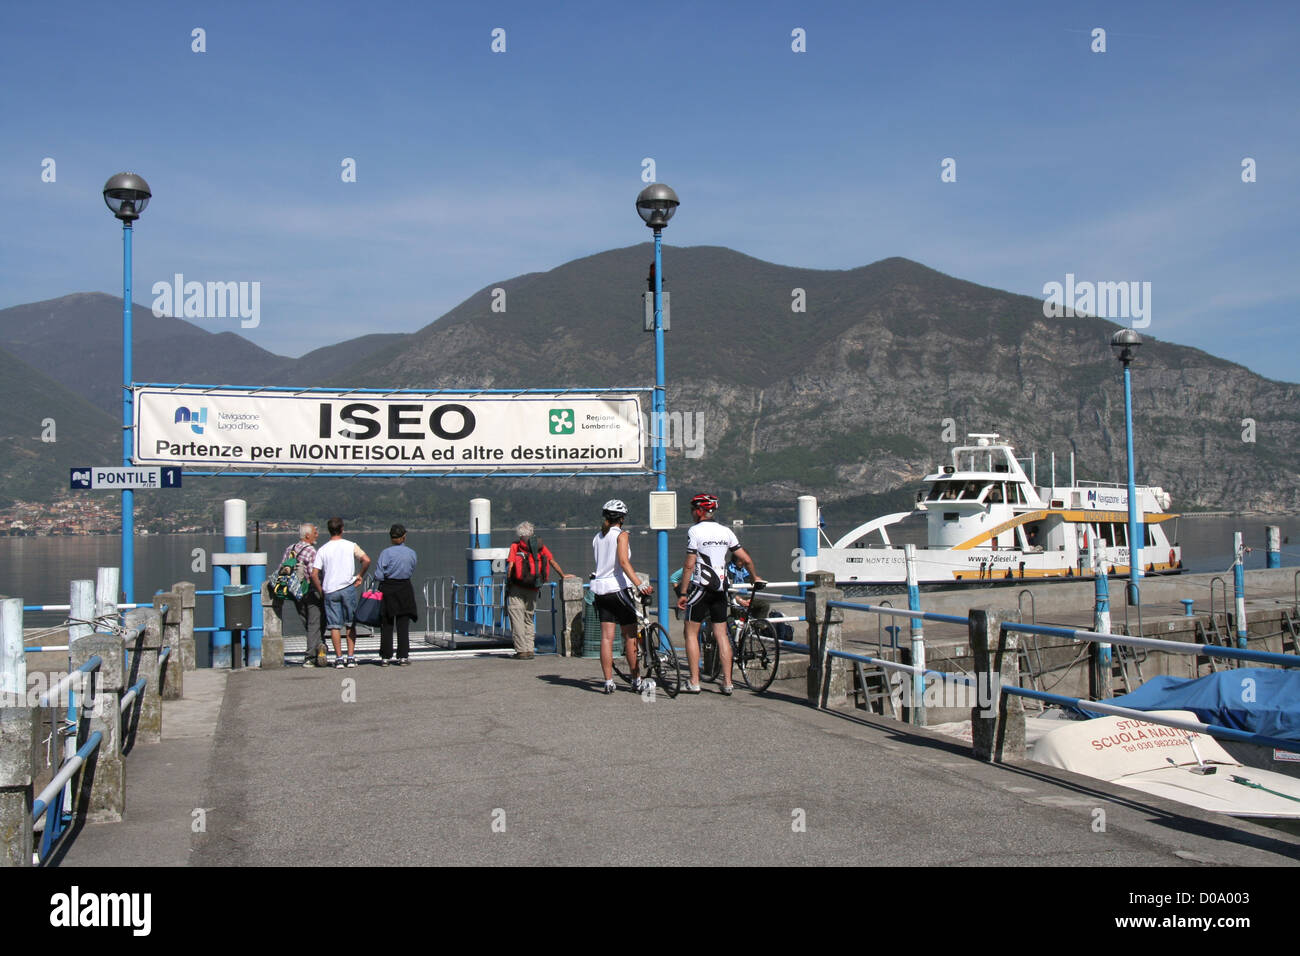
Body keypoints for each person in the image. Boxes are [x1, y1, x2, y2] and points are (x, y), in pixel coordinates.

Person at [677, 493, 762, 695]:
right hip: (720, 589)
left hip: (700, 588)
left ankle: (694, 681)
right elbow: (746, 559)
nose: (691, 514)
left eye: (692, 510)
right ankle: (728, 682)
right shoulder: (726, 531)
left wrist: (682, 592)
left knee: (690, 633)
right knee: (722, 634)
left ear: (699, 511)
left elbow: (689, 564)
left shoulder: (695, 531)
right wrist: (754, 577)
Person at [591, 499, 653, 694]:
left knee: (607, 639)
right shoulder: (622, 535)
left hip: (600, 592)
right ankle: (636, 679)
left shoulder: (597, 537)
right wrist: (640, 584)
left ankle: (608, 681)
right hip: (617, 589)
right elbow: (624, 563)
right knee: (630, 635)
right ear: (622, 518)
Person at [310, 517, 370, 668]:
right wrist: (360, 576)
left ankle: (339, 658)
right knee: (350, 624)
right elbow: (366, 560)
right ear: (342, 529)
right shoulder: (350, 546)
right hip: (347, 588)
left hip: (330, 590)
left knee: (334, 626)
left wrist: (321, 590)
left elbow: (314, 574)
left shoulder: (323, 549)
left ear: (329, 530)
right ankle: (351, 657)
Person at [505, 521, 567, 660]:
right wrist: (563, 575)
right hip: (533, 587)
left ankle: (521, 651)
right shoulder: (540, 546)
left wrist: (509, 582)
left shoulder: (515, 546)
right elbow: (552, 561)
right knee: (529, 619)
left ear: (520, 534)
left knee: (517, 619)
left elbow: (510, 567)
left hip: (517, 587)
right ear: (532, 533)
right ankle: (530, 649)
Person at [275, 523, 328, 667]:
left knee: (307, 621)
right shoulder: (311, 551)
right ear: (308, 535)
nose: (317, 534)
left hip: (295, 592)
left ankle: (318, 649)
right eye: (315, 532)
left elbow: (282, 569)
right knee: (314, 623)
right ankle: (311, 656)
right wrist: (321, 591)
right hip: (310, 591)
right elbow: (313, 574)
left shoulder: (290, 548)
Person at [374, 523, 418, 666]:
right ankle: (403, 656)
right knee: (403, 623)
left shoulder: (385, 553)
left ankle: (385, 657)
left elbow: (379, 574)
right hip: (405, 587)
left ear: (391, 538)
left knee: (386, 623)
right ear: (404, 537)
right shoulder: (411, 553)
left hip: (388, 588)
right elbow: (411, 569)